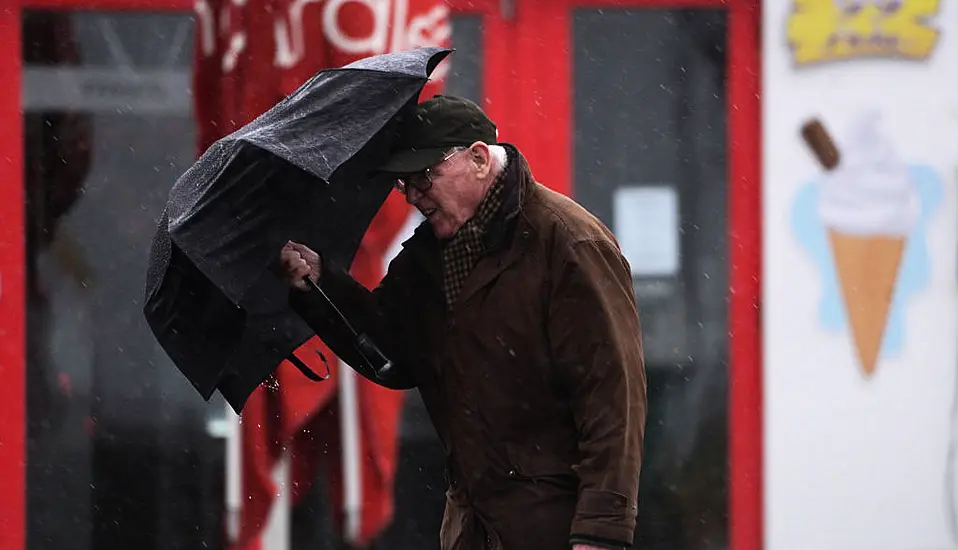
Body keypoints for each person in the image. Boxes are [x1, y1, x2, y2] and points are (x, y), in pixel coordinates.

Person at [279, 95, 647, 550]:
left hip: (557, 527)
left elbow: (613, 397)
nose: (414, 196)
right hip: (472, 527)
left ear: (477, 158)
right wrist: (319, 286)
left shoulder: (569, 242)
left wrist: (600, 533)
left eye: (424, 176)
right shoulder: (428, 255)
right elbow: (392, 355)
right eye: (404, 183)